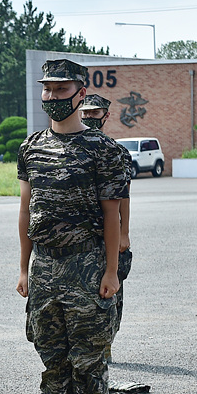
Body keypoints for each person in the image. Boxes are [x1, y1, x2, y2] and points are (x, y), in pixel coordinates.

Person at [16, 59, 129, 394]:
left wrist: (112, 271)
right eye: (47, 90)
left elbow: (112, 216)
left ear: (81, 94)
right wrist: (24, 268)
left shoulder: (104, 150)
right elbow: (27, 211)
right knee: (52, 356)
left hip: (87, 262)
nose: (52, 97)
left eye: (62, 90)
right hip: (44, 265)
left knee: (89, 357)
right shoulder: (31, 147)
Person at [80, 93, 131, 358]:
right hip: (82, 234)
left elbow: (123, 197)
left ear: (106, 116)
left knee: (110, 289)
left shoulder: (116, 152)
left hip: (108, 232)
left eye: (94, 114)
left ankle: (107, 341)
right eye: (86, 113)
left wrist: (124, 233)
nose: (89, 118)